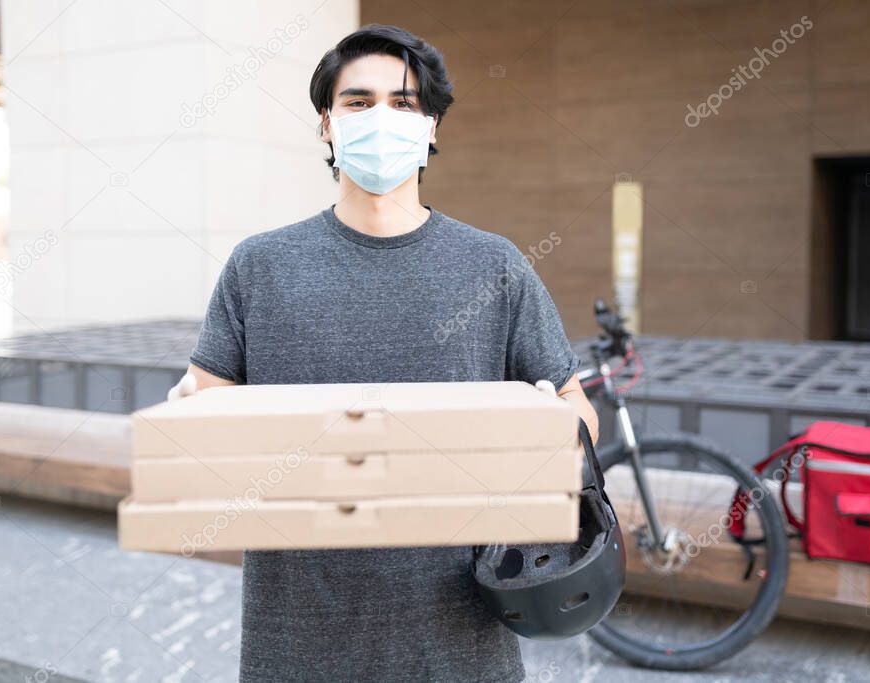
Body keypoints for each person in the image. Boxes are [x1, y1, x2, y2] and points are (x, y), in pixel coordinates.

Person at [168, 23, 598, 683]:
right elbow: (209, 409)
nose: (381, 119)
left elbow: (580, 416)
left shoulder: (495, 266)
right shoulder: (260, 267)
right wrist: (190, 415)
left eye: (403, 104)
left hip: (461, 643)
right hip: (297, 639)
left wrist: (550, 428)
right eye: (359, 102)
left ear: (431, 128)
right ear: (326, 125)